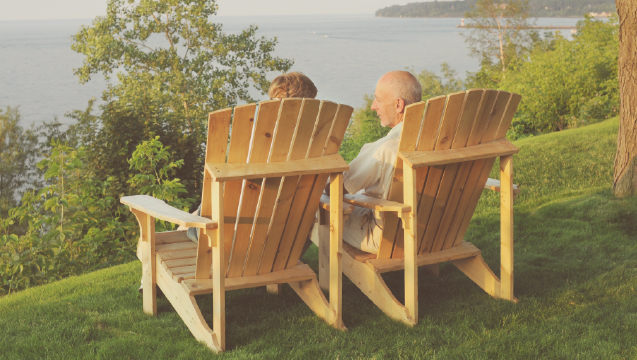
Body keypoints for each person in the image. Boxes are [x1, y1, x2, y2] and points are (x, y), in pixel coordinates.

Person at [138, 72, 318, 294]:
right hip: (288, 244)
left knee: (189, 222)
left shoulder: (262, 141)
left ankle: (149, 283)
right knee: (199, 215)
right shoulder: (318, 144)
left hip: (238, 242)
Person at [311, 70, 422, 254]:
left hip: (388, 238)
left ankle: (286, 269)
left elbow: (336, 189)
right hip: (433, 232)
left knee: (314, 209)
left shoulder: (385, 148)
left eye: (378, 99)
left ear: (398, 105)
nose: (373, 106)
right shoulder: (437, 140)